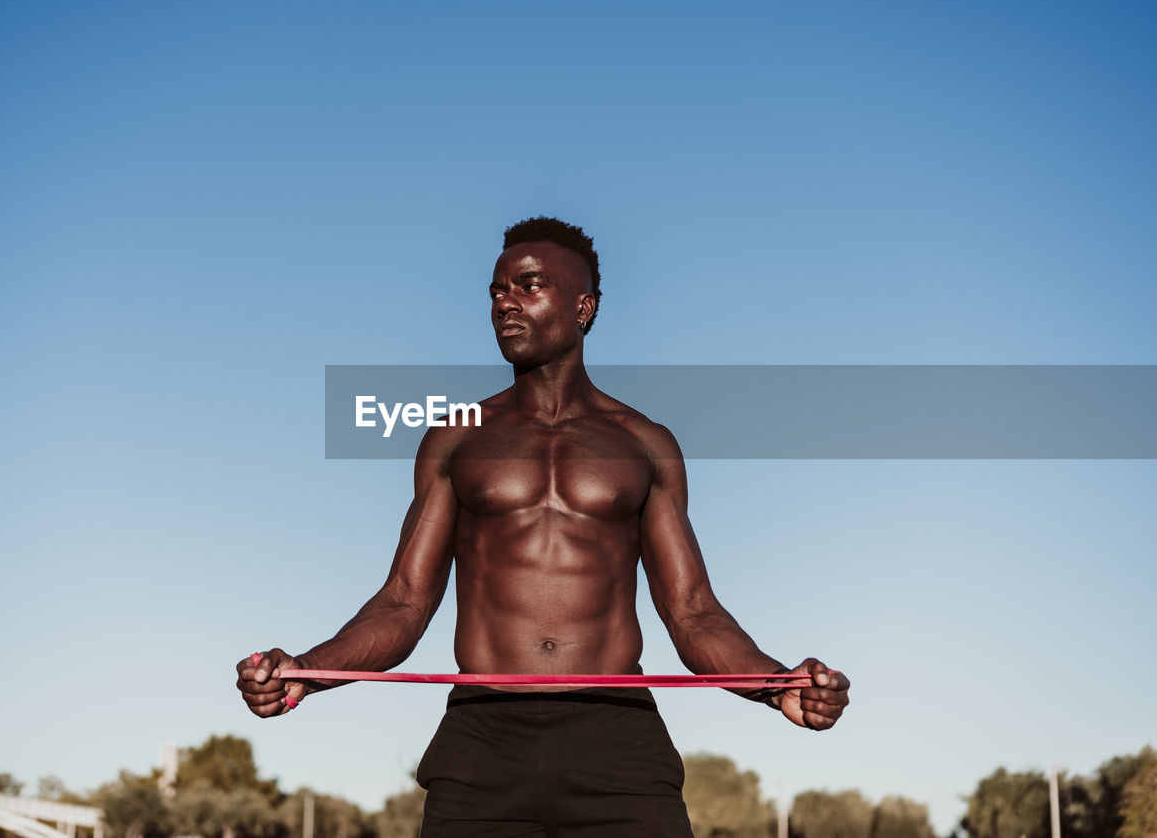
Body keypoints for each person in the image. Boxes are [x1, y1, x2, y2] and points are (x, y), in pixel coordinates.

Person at [237, 216, 851, 837]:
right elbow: (403, 602)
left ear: (583, 307)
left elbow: (693, 612)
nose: (506, 302)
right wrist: (305, 673)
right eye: (497, 290)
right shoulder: (456, 440)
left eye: (528, 286)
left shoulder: (646, 444)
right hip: (483, 740)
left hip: (615, 737)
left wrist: (776, 686)